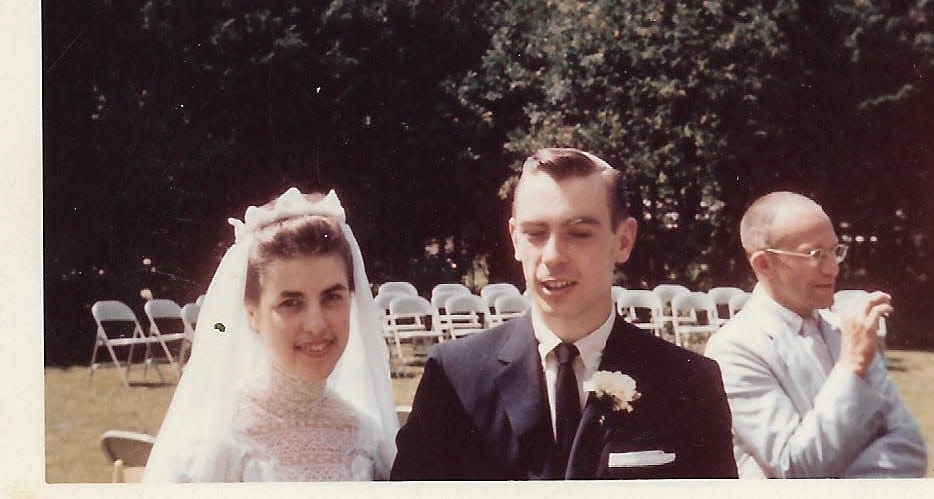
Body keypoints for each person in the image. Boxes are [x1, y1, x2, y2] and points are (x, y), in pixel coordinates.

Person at [391, 148, 737, 480]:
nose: (553, 256)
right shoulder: (454, 378)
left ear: (624, 240)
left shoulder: (689, 383)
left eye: (579, 233)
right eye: (536, 233)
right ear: (515, 239)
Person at [144, 188, 398, 482]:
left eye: (331, 297)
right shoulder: (213, 447)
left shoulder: (369, 442)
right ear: (251, 312)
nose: (316, 325)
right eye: (291, 303)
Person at [704, 191, 927, 478]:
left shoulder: (844, 332)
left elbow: (908, 446)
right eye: (816, 255)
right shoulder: (734, 349)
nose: (833, 268)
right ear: (764, 264)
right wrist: (852, 368)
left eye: (835, 251)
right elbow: (795, 466)